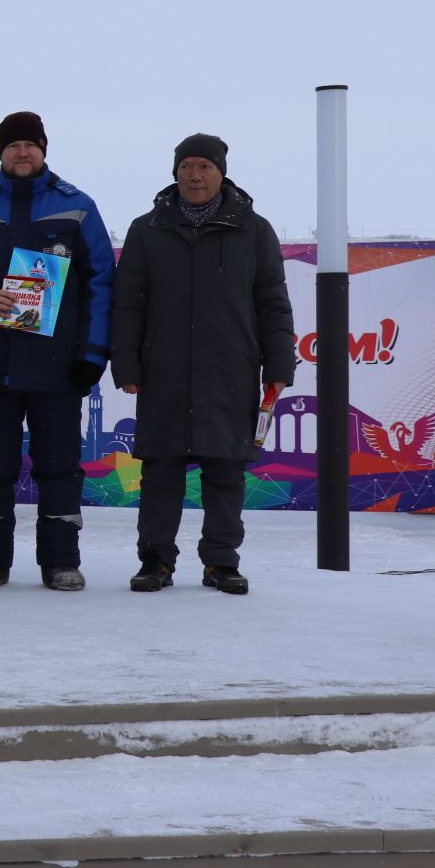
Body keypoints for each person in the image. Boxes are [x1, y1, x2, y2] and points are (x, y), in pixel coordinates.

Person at [0, 111, 115, 592]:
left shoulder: (77, 206)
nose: (22, 153)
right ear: (0, 153)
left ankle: (61, 561)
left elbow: (101, 280)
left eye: (30, 145)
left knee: (59, 466)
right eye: (12, 145)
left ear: (43, 150)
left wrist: (92, 355)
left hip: (58, 367)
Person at [111, 134, 295, 595]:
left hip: (230, 370)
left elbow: (273, 302)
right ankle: (156, 560)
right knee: (160, 470)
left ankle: (221, 562)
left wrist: (278, 365)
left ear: (221, 172)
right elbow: (128, 303)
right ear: (175, 171)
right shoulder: (146, 229)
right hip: (164, 370)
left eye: (205, 167)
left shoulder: (254, 229)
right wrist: (127, 365)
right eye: (187, 166)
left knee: (226, 470)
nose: (195, 175)